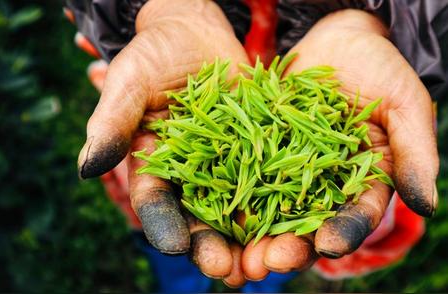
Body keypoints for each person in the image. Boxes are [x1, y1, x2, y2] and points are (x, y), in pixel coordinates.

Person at [64, 0, 447, 291]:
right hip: (172, 77)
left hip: (348, 57)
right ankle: (181, 273)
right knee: (164, 209)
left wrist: (373, 18)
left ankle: (259, 281)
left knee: (292, 247)